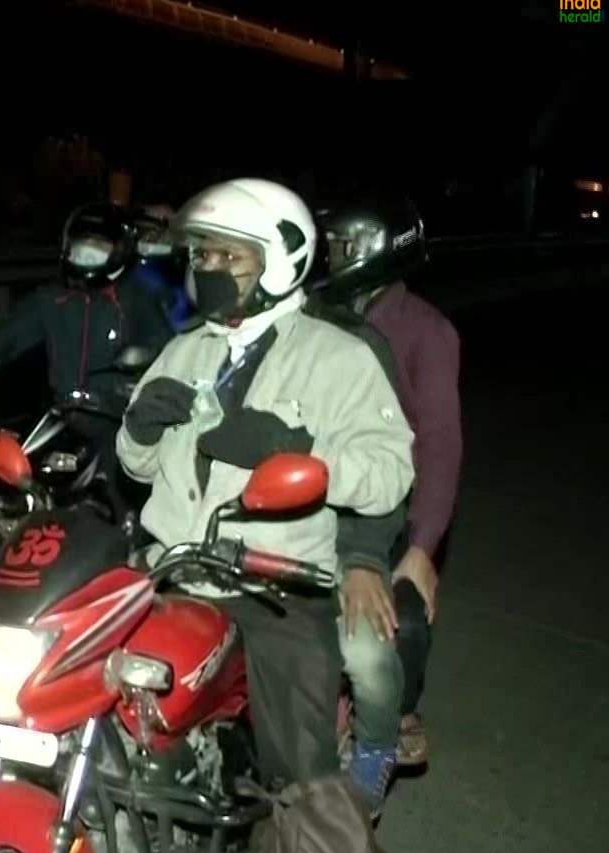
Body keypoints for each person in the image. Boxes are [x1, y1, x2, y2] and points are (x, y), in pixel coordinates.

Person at [115, 177, 415, 794]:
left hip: (272, 587)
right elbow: (136, 467)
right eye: (202, 256)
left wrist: (302, 452)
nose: (209, 270)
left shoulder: (341, 357)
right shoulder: (183, 351)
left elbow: (390, 474)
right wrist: (139, 429)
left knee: (303, 784)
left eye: (230, 257)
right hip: (169, 571)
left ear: (280, 261)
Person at [313, 195, 461, 774]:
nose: (334, 258)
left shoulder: (427, 332)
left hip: (391, 506)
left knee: (402, 613)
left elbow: (442, 441)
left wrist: (423, 547)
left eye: (345, 247)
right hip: (319, 494)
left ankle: (396, 714)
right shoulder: (318, 315)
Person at [0, 201, 178, 423]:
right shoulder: (51, 299)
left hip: (118, 417)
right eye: (81, 245)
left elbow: (164, 347)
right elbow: (6, 335)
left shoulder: (136, 299)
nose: (87, 254)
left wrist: (138, 366)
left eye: (100, 247)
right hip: (61, 412)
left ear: (120, 251)